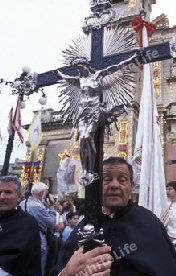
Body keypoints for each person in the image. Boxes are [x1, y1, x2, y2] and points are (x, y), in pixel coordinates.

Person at [47, 157, 176, 276]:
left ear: (131, 186)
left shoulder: (149, 224)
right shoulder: (85, 225)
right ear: (97, 185)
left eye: (122, 180)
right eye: (107, 180)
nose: (114, 185)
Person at [56, 52, 139, 186]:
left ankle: (92, 168)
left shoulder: (98, 75)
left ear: (86, 65)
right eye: (77, 68)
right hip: (82, 112)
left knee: (88, 136)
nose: (79, 70)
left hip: (94, 111)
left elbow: (116, 66)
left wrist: (131, 59)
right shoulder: (80, 80)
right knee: (82, 140)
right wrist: (58, 74)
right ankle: (85, 171)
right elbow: (66, 78)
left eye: (80, 66)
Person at [19, 181, 57, 276]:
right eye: (45, 192)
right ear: (41, 193)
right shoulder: (37, 206)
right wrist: (51, 208)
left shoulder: (23, 203)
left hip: (23, 238)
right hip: (37, 242)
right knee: (36, 272)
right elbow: (51, 222)